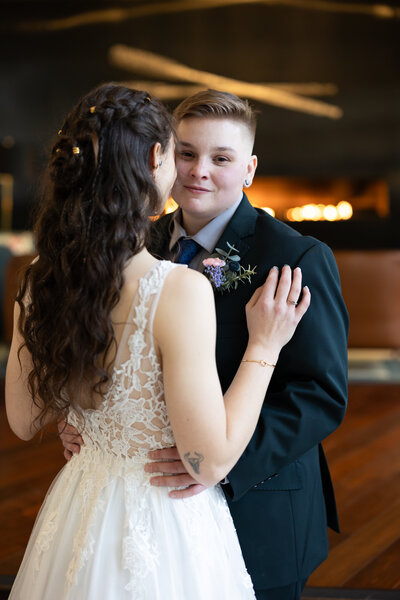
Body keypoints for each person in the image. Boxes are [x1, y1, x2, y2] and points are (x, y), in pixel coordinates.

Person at [6, 83, 310, 600]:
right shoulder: (177, 287)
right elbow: (208, 463)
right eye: (181, 151)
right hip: (168, 519)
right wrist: (264, 346)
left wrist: (82, 410)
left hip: (81, 506)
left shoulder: (39, 278)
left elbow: (23, 418)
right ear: (156, 156)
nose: (193, 170)